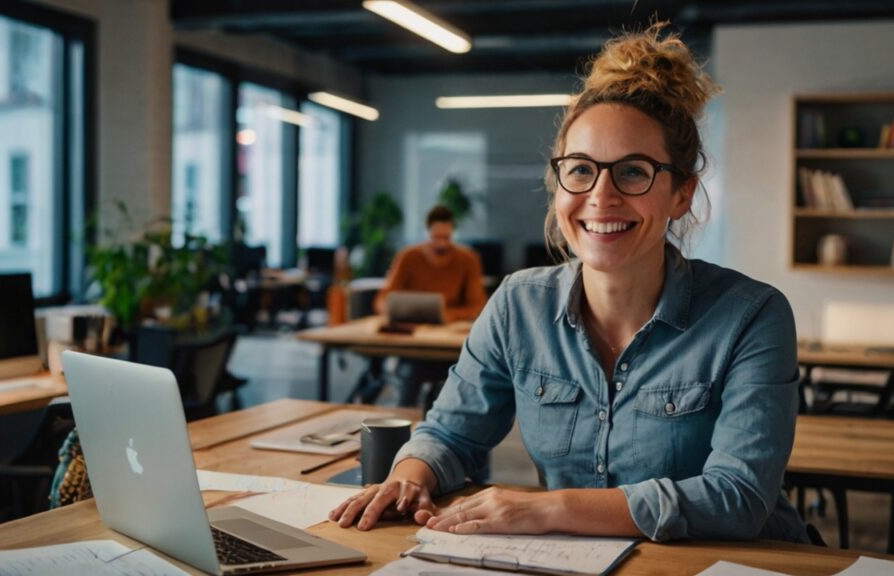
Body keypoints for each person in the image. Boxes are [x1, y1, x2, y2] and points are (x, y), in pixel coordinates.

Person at [330, 23, 809, 544]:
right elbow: (450, 433)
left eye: (633, 172)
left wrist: (547, 508)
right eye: (580, 170)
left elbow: (737, 497)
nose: (600, 197)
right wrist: (409, 477)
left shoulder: (752, 316)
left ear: (682, 194)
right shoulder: (519, 304)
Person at [370, 205, 488, 407]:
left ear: (453, 233)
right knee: (410, 371)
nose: (441, 243)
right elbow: (383, 299)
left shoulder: (467, 259)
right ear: (427, 233)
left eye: (446, 237)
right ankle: (403, 424)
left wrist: (450, 315)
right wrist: (391, 311)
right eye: (436, 237)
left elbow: (478, 305)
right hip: (414, 340)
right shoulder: (408, 257)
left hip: (448, 341)